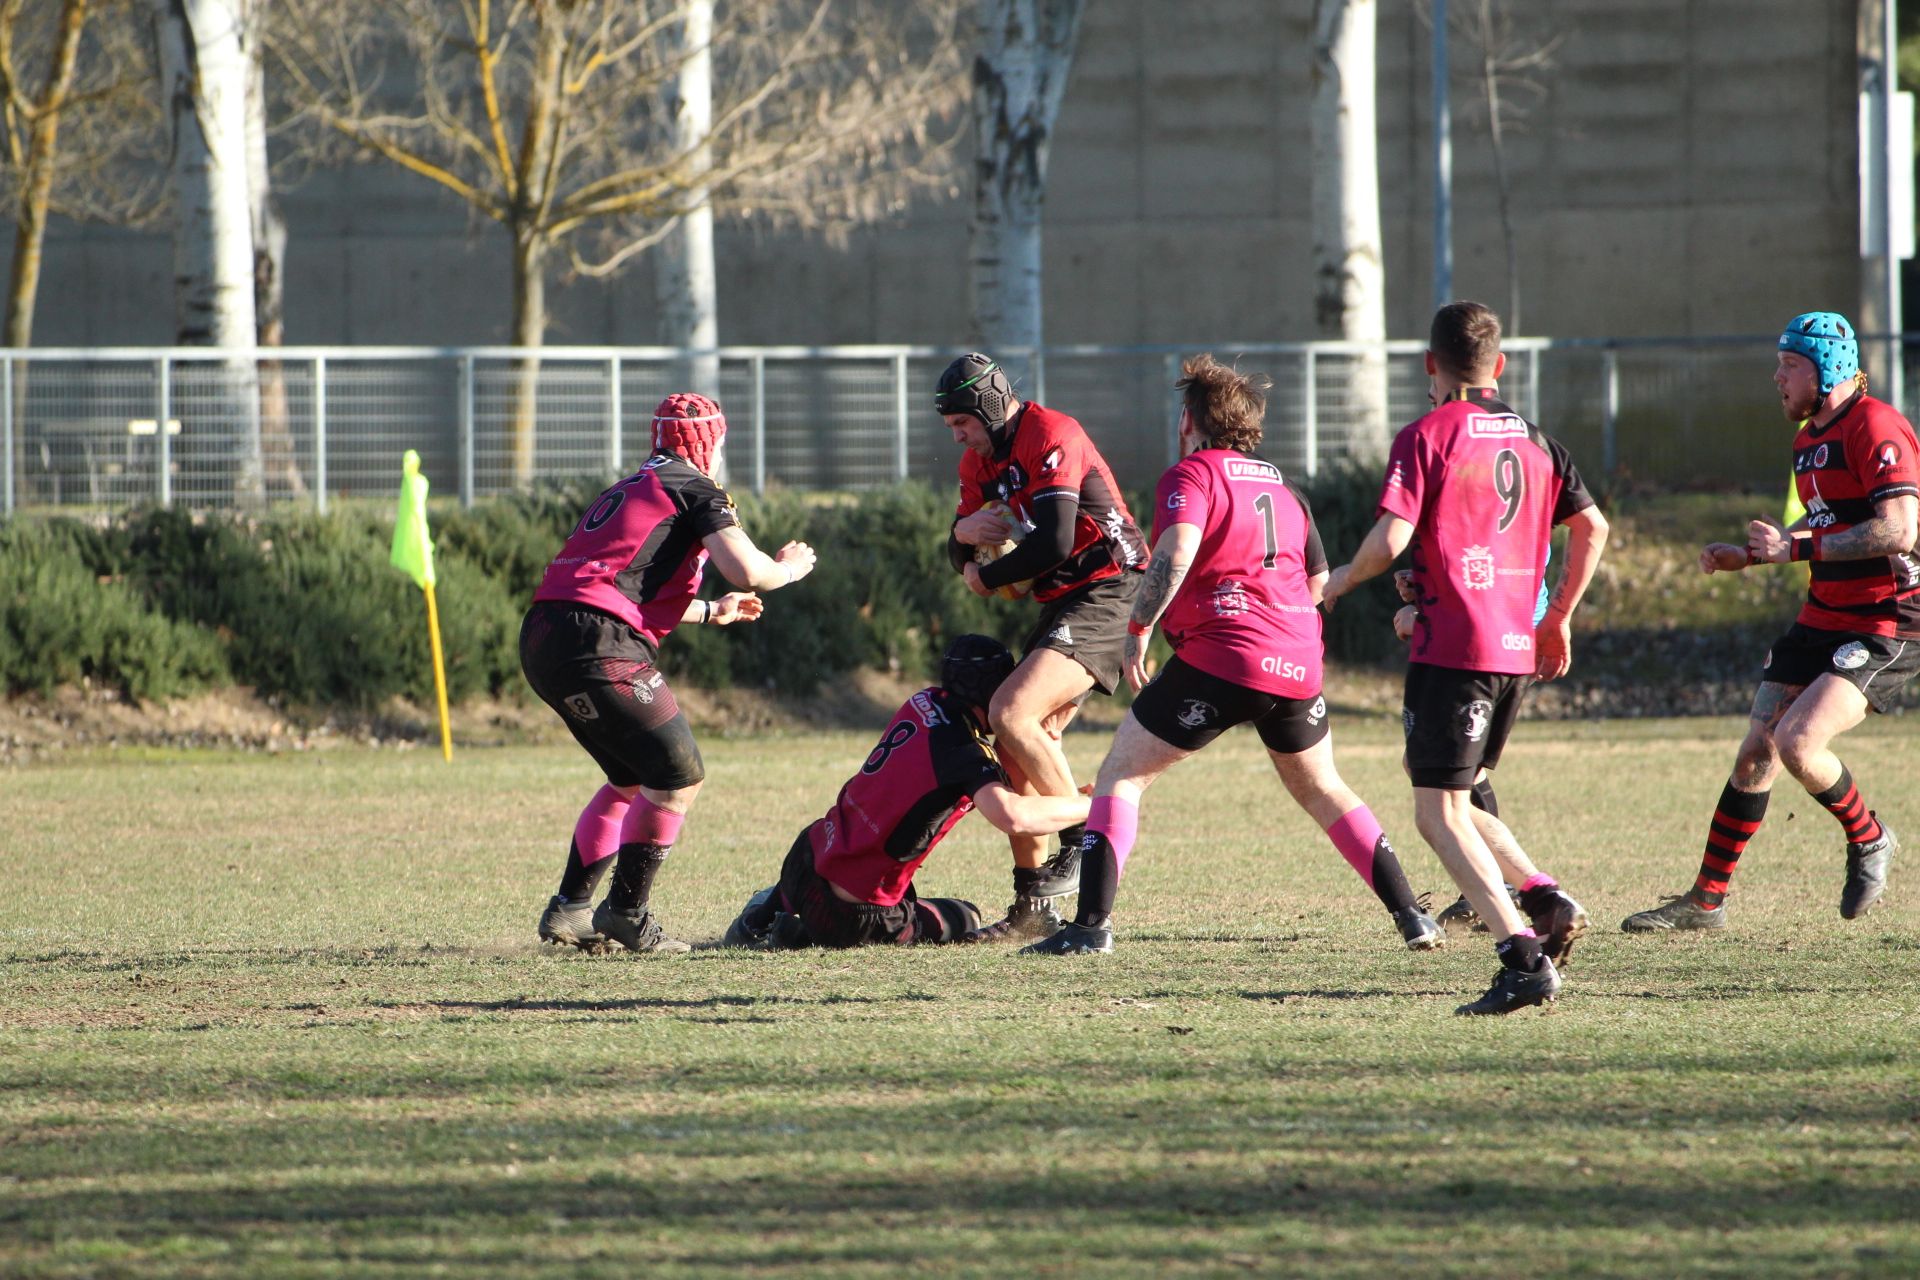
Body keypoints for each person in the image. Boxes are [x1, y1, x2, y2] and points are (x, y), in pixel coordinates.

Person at [1020, 355, 1445, 957]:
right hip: (1297, 660)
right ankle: (1412, 917)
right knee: (1326, 789)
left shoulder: (1191, 475)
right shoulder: (1284, 487)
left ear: (1189, 420)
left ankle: (1090, 928)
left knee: (1121, 776)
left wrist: (1140, 624)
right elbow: (1319, 581)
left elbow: (1178, 551)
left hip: (1224, 657)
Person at [1321, 301, 1609, 1016]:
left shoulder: (1428, 434)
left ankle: (1522, 955)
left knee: (1436, 812)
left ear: (1430, 365)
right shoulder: (1538, 440)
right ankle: (1541, 898)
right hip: (1513, 644)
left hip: (1456, 648)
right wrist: (1560, 618)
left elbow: (1390, 540)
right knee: (1458, 796)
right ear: (1499, 365)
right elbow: (1593, 526)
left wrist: (1334, 583)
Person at [1622, 312, 1917, 933]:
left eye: (1789, 365)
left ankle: (1869, 839)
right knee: (1758, 748)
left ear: (1827, 368)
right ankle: (1705, 902)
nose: (1776, 377)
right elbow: (1825, 524)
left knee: (1799, 743)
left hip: (1888, 620)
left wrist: (1796, 549)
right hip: (1825, 612)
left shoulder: (1876, 425)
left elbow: (1899, 529)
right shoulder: (1808, 438)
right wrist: (1755, 553)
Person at [522, 393, 816, 954]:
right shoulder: (694, 485)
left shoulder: (632, 486)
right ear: (710, 441)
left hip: (545, 634)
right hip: (599, 641)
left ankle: (570, 911)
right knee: (680, 775)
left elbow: (616, 583)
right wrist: (789, 568)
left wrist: (711, 609)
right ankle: (627, 913)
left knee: (630, 779)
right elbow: (746, 569)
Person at [938, 353, 1149, 941]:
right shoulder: (977, 461)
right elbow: (958, 550)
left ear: (987, 405)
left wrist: (982, 576)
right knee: (1019, 746)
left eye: (962, 422)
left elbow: (1056, 540)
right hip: (1063, 600)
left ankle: (1084, 836)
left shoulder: (1051, 433)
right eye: (951, 427)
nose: (957, 436)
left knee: (1011, 712)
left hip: (1113, 583)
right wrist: (961, 538)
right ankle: (1034, 908)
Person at [723, 635, 1093, 949]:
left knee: (836, 871)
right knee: (964, 915)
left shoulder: (922, 701)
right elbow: (1012, 815)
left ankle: (765, 912)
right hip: (854, 912)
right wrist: (1086, 806)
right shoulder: (964, 754)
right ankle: (797, 933)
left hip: (806, 857)